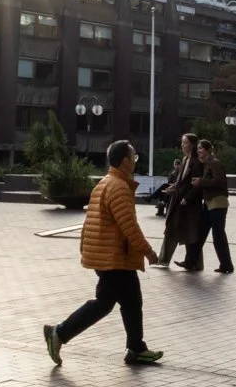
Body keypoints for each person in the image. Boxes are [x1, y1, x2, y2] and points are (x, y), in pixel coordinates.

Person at [43, 140, 162, 367]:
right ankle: (59, 333)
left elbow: (89, 223)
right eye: (134, 156)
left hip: (113, 256)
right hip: (114, 257)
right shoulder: (118, 187)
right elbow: (129, 227)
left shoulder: (105, 183)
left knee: (132, 302)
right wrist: (148, 252)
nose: (136, 161)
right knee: (103, 303)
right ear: (125, 161)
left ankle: (136, 348)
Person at [157, 133, 204, 271]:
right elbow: (181, 181)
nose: (182, 145)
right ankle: (164, 259)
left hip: (188, 204)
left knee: (191, 234)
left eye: (185, 143)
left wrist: (186, 198)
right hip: (179, 202)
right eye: (182, 143)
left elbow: (196, 184)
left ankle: (195, 263)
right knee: (174, 229)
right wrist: (174, 187)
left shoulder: (196, 162)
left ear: (193, 145)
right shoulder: (185, 160)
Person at [195, 140, 234, 274]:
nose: (198, 151)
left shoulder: (214, 163)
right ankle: (192, 260)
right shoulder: (206, 164)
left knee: (218, 235)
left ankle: (226, 264)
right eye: (198, 149)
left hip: (217, 203)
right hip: (209, 203)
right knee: (200, 233)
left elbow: (219, 181)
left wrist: (201, 182)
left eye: (200, 149)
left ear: (208, 150)